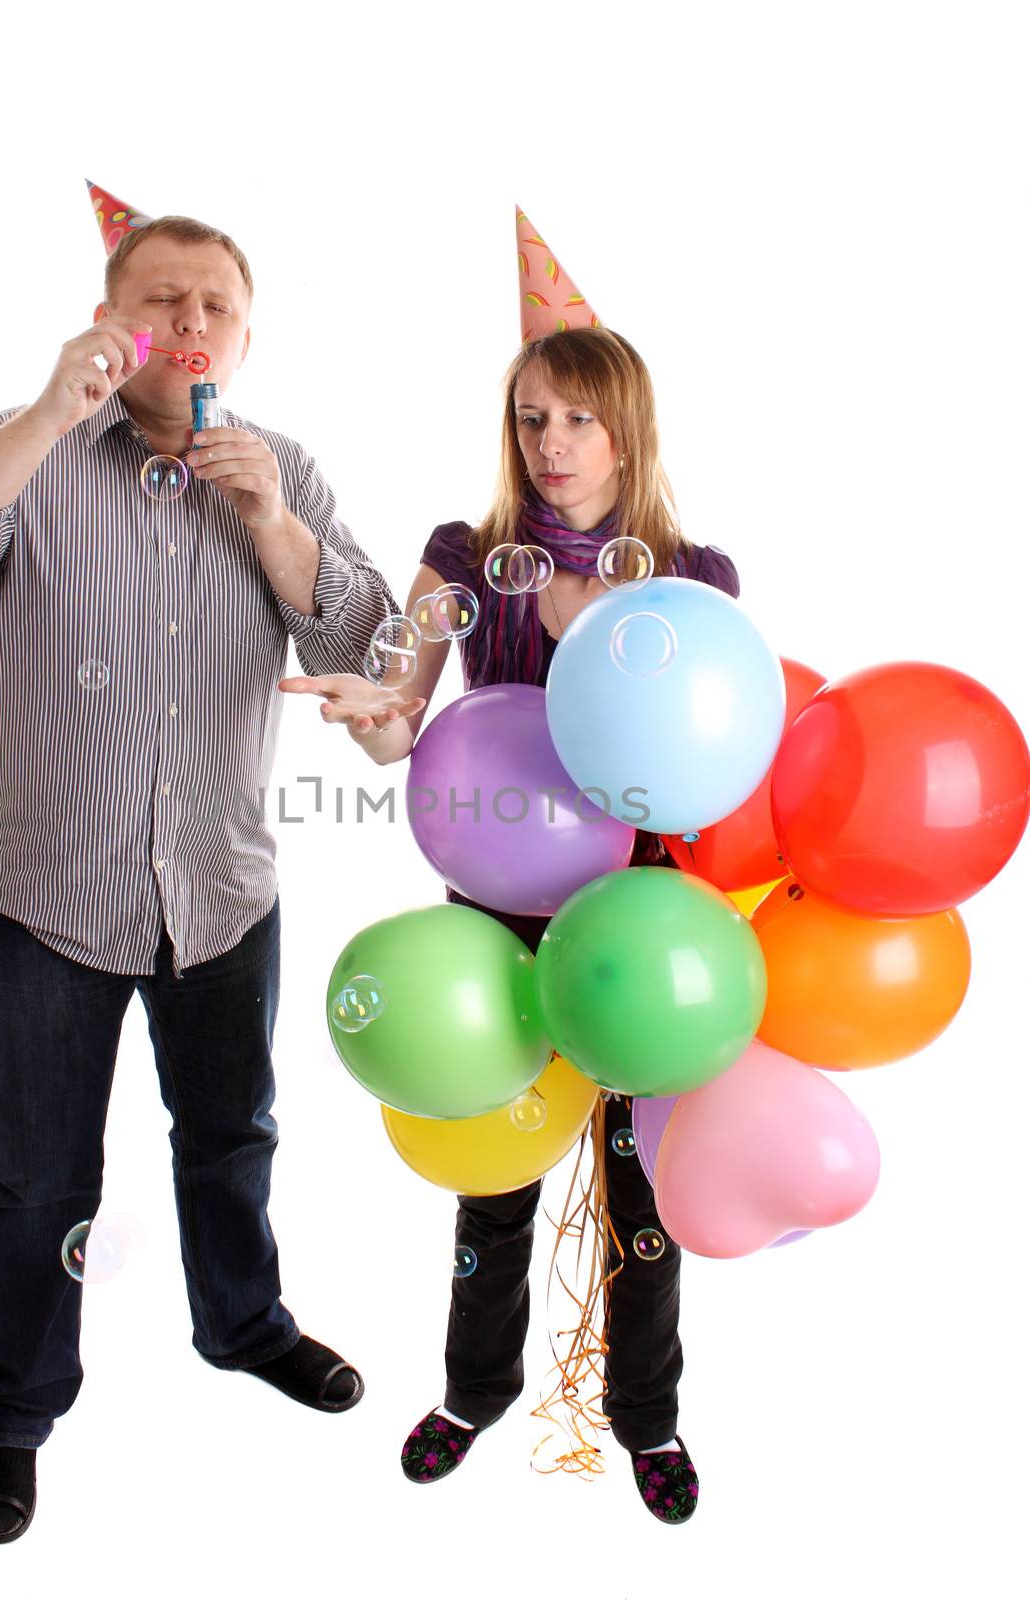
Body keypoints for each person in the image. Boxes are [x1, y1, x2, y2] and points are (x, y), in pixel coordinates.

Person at [0, 207, 400, 1544]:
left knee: (234, 1135)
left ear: (247, 335)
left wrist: (270, 515)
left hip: (222, 892)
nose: (192, 320)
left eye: (216, 302)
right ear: (112, 320)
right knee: (37, 1171)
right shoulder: (22, 454)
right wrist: (42, 413)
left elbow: (376, 651)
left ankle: (243, 1325)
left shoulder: (286, 469)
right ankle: (14, 1409)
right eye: (164, 298)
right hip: (46, 893)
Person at [280, 324, 740, 1523]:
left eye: (578, 418)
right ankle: (470, 1394)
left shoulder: (692, 577)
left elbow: (721, 762)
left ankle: (648, 1419)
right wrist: (365, 707)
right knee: (491, 1181)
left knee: (642, 1194)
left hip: (640, 931)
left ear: (626, 427)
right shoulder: (466, 557)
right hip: (491, 928)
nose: (551, 443)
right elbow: (398, 722)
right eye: (531, 417)